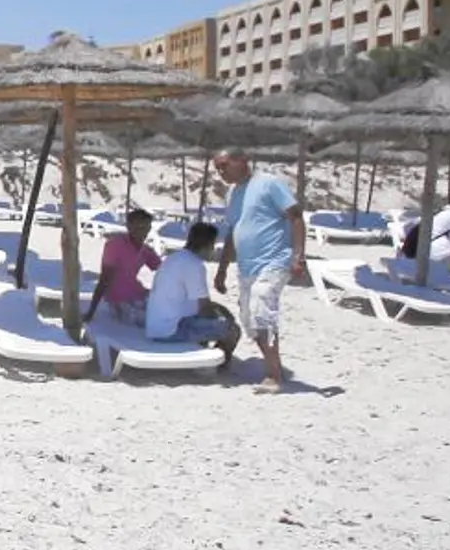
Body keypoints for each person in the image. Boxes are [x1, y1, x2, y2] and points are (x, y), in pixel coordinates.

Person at [212, 148, 305, 394]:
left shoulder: (269, 184)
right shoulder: (233, 193)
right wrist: (221, 269)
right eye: (217, 168)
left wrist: (298, 256)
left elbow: (296, 217)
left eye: (224, 165)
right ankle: (274, 364)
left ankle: (273, 376)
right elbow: (233, 231)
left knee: (262, 309)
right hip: (246, 266)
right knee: (249, 320)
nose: (221, 172)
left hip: (274, 260)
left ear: (242, 161)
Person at [146, 221, 241, 368]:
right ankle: (216, 366)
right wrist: (226, 315)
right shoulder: (194, 265)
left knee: (204, 319)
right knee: (232, 330)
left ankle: (204, 354)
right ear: (209, 244)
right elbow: (204, 307)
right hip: (171, 331)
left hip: (155, 327)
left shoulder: (173, 258)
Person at [83, 208, 161, 327]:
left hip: (139, 294)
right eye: (139, 228)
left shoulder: (145, 250)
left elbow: (163, 268)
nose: (143, 232)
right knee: (153, 322)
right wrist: (91, 311)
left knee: (167, 312)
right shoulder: (115, 245)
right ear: (129, 227)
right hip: (119, 301)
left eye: (146, 228)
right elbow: (104, 279)